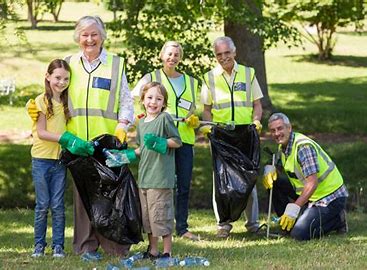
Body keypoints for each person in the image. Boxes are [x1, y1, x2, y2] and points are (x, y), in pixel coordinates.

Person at [27, 16, 134, 260]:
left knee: (110, 194)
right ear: (78, 37)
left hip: (106, 142)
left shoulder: (116, 64)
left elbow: (127, 101)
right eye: (84, 34)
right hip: (76, 142)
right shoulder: (69, 63)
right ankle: (85, 246)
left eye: (94, 34)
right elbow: (51, 92)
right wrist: (31, 106)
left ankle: (114, 246)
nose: (89, 39)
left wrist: (122, 126)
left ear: (102, 36)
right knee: (83, 196)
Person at [132, 41, 200, 240]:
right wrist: (142, 118)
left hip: (183, 139)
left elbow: (194, 108)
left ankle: (183, 227)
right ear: (161, 56)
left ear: (180, 57)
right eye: (169, 54)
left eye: (177, 54)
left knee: (184, 185)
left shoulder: (191, 81)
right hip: (158, 142)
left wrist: (193, 119)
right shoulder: (151, 77)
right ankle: (157, 226)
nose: (173, 57)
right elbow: (135, 100)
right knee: (161, 186)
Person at [108, 82, 182, 258]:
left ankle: (166, 251)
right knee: (148, 218)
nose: (153, 102)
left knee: (161, 215)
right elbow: (142, 149)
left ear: (164, 102)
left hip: (161, 178)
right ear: (142, 100)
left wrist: (161, 142)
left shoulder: (165, 119)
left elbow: (177, 141)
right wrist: (124, 157)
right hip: (145, 179)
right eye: (149, 97)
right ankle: (153, 250)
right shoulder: (141, 123)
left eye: (158, 98)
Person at [30, 59, 94, 258]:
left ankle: (58, 246)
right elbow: (41, 132)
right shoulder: (41, 102)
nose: (61, 82)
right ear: (48, 77)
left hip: (59, 161)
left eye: (66, 79)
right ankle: (39, 246)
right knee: (42, 205)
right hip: (41, 160)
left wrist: (75, 142)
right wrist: (65, 138)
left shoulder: (67, 102)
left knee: (57, 205)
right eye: (57, 77)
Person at [200, 36, 263, 238]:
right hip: (221, 135)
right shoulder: (209, 77)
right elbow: (207, 110)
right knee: (220, 179)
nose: (223, 57)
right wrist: (209, 129)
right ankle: (223, 224)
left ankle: (252, 223)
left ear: (234, 52)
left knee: (249, 177)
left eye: (227, 53)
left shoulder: (248, 73)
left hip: (245, 133)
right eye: (219, 54)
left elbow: (257, 104)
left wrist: (256, 122)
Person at [263, 112, 349, 240]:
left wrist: (295, 208)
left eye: (280, 128)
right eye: (273, 130)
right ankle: (286, 223)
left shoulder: (303, 147)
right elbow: (281, 164)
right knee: (274, 183)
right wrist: (270, 168)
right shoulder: (283, 147)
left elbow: (312, 183)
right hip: (312, 195)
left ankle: (338, 219)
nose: (276, 133)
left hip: (329, 197)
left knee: (299, 234)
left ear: (289, 128)